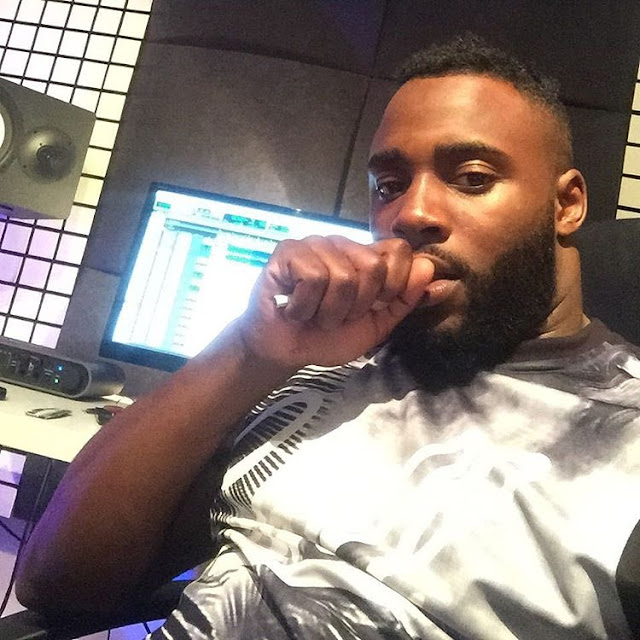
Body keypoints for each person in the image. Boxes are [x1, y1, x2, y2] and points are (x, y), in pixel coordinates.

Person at [14, 34, 640, 639]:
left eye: (472, 178)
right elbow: (58, 583)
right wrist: (250, 351)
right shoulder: (329, 372)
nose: (411, 213)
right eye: (389, 186)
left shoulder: (624, 436)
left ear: (566, 205)